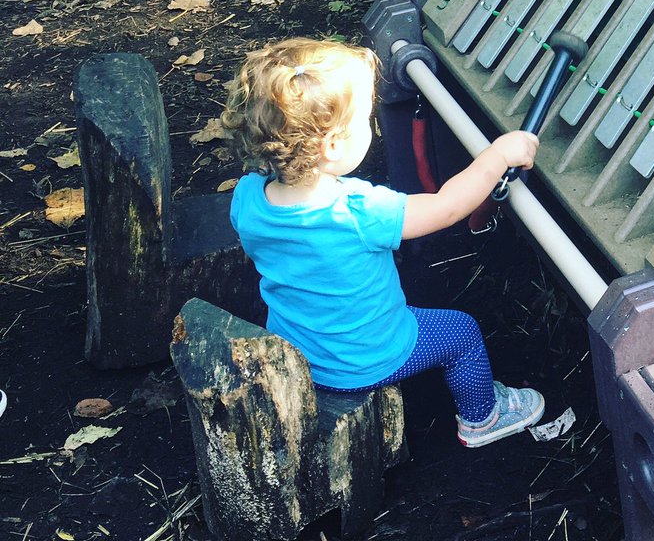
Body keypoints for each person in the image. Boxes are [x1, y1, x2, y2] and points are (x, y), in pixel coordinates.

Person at [223, 36, 545, 447]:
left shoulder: (247, 198)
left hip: (300, 346)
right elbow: (446, 207)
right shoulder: (359, 210)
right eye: (364, 121)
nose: (370, 128)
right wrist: (498, 155)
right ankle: (484, 417)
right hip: (366, 357)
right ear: (332, 146)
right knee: (462, 333)